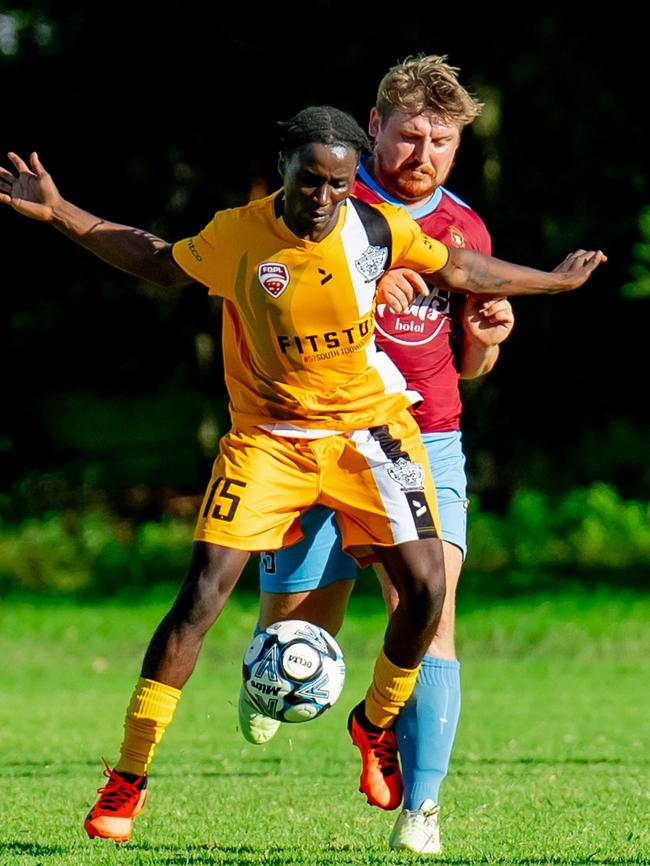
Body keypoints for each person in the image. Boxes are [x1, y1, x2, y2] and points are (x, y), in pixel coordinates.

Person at [0, 106, 605, 846]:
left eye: (340, 185)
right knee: (200, 599)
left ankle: (374, 724)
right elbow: (155, 258)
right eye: (310, 181)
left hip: (369, 435)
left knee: (427, 592)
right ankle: (127, 778)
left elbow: (457, 265)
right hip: (271, 441)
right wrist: (60, 211)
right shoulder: (238, 236)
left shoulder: (374, 230)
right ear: (284, 168)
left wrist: (551, 282)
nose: (324, 200)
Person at [243, 55, 524, 855]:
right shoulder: (321, 202)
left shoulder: (464, 229)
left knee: (429, 612)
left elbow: (466, 364)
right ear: (374, 128)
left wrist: (486, 339)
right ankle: (273, 678)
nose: (423, 154)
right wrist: (363, 292)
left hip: (423, 437)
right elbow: (273, 304)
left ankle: (422, 811)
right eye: (409, 136)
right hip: (314, 434)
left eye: (441, 141)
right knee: (295, 630)